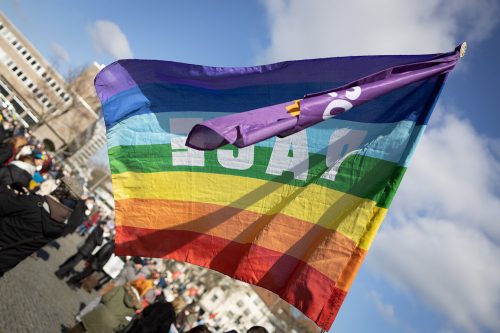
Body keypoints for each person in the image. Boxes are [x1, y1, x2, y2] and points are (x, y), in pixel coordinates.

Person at [0, 178, 82, 277]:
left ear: (61, 190)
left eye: (58, 185)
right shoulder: (61, 226)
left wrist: (9, 192)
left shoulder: (34, 203)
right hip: (6, 262)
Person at [69, 282, 144, 333]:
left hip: (100, 313)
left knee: (82, 326)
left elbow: (105, 297)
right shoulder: (134, 308)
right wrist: (115, 328)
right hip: (110, 325)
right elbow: (124, 323)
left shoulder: (121, 288)